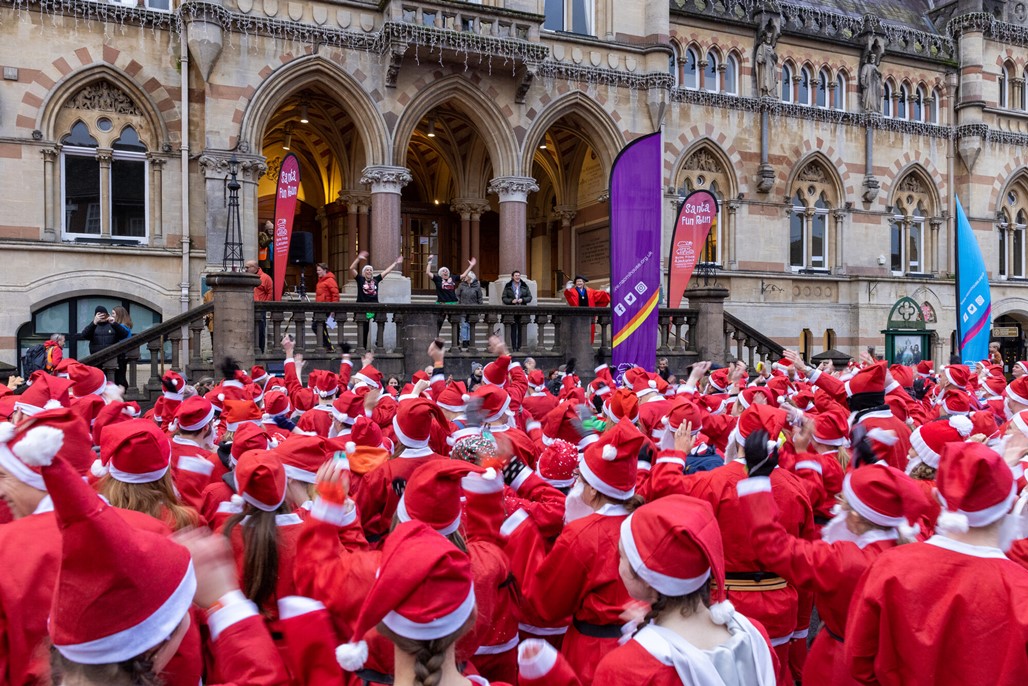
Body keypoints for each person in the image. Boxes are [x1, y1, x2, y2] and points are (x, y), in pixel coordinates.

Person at [845, 441, 1028, 685]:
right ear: (1011, 505)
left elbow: (860, 662)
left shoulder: (890, 566)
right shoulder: (1020, 589)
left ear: (937, 498)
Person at [591, 492, 777, 685]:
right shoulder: (754, 635)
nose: (618, 563)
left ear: (646, 576)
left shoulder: (627, 670)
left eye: (622, 555)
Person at [350, 251, 403, 350]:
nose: (369, 272)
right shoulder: (360, 279)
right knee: (364, 329)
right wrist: (358, 258)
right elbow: (351, 268)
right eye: (367, 270)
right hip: (363, 308)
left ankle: (379, 342)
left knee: (381, 322)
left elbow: (386, 272)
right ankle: (363, 348)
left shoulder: (376, 280)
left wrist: (395, 263)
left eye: (370, 270)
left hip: (374, 308)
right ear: (364, 272)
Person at [563, 276, 611, 343]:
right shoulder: (572, 291)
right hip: (578, 315)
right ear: (575, 283)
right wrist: (568, 290)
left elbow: (599, 295)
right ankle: (577, 346)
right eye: (577, 281)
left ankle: (588, 346)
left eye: (581, 281)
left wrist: (606, 292)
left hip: (589, 315)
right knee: (578, 331)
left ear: (584, 283)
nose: (579, 283)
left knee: (589, 331)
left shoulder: (590, 291)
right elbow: (569, 296)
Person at [246, 259, 274, 352]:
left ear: (254, 268)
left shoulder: (265, 278)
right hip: (248, 308)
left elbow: (270, 293)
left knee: (260, 331)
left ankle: (260, 351)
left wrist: (264, 305)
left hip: (260, 308)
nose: (245, 269)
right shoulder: (247, 277)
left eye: (247, 267)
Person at [501, 270, 533, 352]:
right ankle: (514, 347)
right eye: (516, 275)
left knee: (521, 329)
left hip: (522, 311)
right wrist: (511, 301)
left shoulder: (524, 286)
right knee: (513, 330)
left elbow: (529, 297)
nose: (518, 277)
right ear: (512, 277)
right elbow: (504, 298)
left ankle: (520, 347)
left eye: (519, 275)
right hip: (511, 312)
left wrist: (523, 300)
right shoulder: (508, 286)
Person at [314, 262, 340, 351]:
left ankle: (328, 346)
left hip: (326, 308)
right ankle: (328, 346)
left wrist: (333, 310)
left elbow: (335, 295)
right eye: (317, 270)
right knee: (320, 327)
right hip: (320, 308)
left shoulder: (330, 280)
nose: (317, 272)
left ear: (324, 270)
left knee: (318, 327)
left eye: (319, 270)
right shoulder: (321, 280)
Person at [110, 306, 133, 388]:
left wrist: (113, 323)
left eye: (113, 314)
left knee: (120, 377)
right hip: (122, 355)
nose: (112, 316)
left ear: (118, 315)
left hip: (121, 355)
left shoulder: (123, 327)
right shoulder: (124, 326)